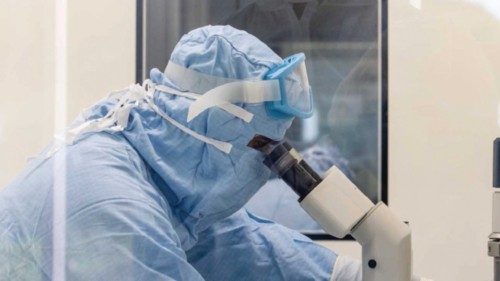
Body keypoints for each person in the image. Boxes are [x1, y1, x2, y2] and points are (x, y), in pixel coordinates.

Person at [0, 25, 360, 280]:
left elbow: (236, 244)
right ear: (205, 121)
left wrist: (345, 275)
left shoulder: (164, 181)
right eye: (258, 145)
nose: (266, 167)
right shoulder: (109, 204)